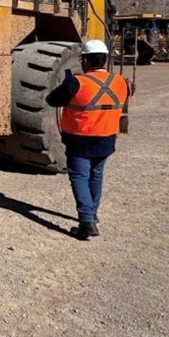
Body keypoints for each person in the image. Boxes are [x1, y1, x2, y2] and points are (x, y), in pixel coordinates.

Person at [44, 39, 129, 239]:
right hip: (107, 139)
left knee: (80, 177)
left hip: (80, 140)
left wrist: (67, 84)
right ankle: (93, 214)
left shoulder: (76, 83)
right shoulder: (120, 81)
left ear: (86, 61)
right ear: (105, 59)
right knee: (96, 175)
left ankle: (86, 221)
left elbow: (52, 100)